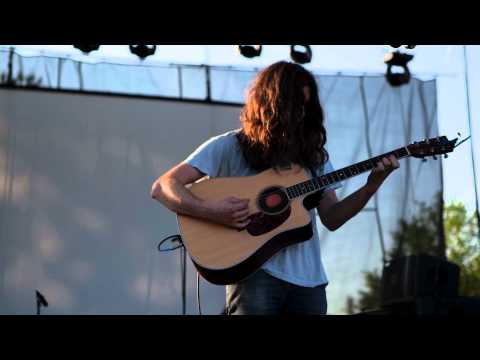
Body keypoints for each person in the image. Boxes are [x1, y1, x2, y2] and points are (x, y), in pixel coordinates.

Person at [150, 61, 399, 315]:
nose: (301, 113)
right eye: (295, 105)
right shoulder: (230, 146)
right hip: (255, 277)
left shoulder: (315, 156)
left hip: (309, 283)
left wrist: (371, 186)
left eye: (306, 105)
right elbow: (163, 186)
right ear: (272, 102)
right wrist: (209, 209)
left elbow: (332, 217)